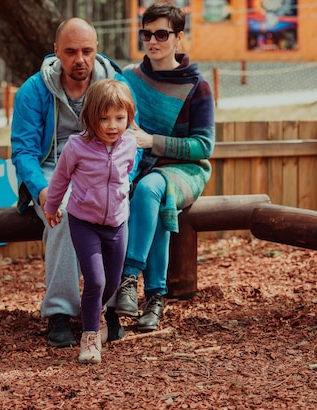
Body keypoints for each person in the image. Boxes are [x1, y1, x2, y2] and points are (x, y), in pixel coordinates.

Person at [11, 18, 128, 348]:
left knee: (114, 214)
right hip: (51, 170)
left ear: (96, 51)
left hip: (100, 170)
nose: (80, 59)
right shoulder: (34, 91)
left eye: (87, 51)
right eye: (71, 51)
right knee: (62, 214)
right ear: (56, 52)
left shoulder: (115, 85)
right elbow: (23, 151)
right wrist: (41, 189)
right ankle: (60, 312)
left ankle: (107, 308)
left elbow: (130, 138)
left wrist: (124, 181)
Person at [116, 2, 215, 331]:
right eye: (147, 34)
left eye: (161, 34)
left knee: (151, 189)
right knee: (152, 196)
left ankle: (129, 278)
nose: (153, 41)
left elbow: (204, 147)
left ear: (179, 37)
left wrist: (153, 141)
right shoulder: (130, 78)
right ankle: (155, 297)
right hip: (139, 166)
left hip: (186, 169)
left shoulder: (197, 87)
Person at [45, 79, 140, 363]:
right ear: (90, 118)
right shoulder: (77, 146)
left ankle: (93, 313)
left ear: (128, 118)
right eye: (104, 118)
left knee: (111, 281)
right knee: (96, 280)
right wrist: (51, 206)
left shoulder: (130, 144)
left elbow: (127, 172)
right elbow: (60, 178)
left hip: (117, 223)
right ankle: (90, 337)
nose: (112, 125)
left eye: (119, 118)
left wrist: (121, 195)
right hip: (84, 221)